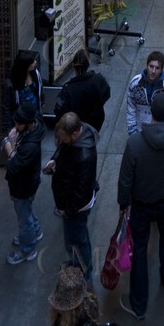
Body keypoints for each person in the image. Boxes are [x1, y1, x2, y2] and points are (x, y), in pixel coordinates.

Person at [116, 91, 164, 321]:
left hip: (141, 205)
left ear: (151, 112)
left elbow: (125, 180)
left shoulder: (135, 143)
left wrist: (124, 204)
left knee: (140, 249)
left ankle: (140, 303)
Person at [46, 112, 98, 282]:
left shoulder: (84, 155)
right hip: (72, 205)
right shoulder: (76, 139)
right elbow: (63, 148)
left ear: (75, 133)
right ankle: (79, 266)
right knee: (79, 238)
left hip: (75, 208)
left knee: (76, 241)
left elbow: (81, 192)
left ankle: (84, 276)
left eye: (64, 139)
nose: (61, 142)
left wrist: (67, 211)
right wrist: (55, 159)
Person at [3, 105, 45, 266]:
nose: (15, 127)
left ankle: (28, 249)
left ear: (28, 123)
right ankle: (36, 231)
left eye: (19, 124)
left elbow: (14, 166)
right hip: (30, 182)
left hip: (23, 185)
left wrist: (10, 145)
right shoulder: (35, 128)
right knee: (27, 209)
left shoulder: (29, 146)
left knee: (24, 219)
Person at [55, 48, 111, 135]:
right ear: (88, 64)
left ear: (73, 65)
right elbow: (107, 94)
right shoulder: (99, 79)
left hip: (76, 129)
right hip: (96, 123)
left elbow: (59, 111)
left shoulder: (68, 90)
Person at [125, 52, 164, 136]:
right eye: (151, 66)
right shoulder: (135, 84)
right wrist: (132, 132)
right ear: (146, 66)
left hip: (161, 135)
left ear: (161, 70)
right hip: (139, 132)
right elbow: (131, 108)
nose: (153, 71)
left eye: (157, 68)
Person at [1, 52, 42, 132]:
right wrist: (9, 128)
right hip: (22, 120)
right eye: (32, 62)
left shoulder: (35, 73)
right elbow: (7, 108)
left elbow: (39, 91)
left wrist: (41, 106)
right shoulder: (11, 84)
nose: (35, 62)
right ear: (25, 66)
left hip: (35, 116)